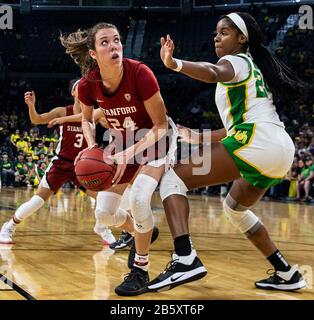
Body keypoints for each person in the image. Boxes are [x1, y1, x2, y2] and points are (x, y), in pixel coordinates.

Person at [147, 12, 307, 293]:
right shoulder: (252, 69)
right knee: (235, 208)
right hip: (277, 146)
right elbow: (238, 128)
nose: (216, 37)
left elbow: (211, 72)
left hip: (259, 142)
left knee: (172, 179)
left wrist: (175, 64)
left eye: (224, 33)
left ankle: (185, 258)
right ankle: (286, 272)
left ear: (241, 38)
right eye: (216, 33)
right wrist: (197, 137)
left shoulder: (235, 61)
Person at [60, 22, 177, 296]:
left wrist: (128, 153)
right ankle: (143, 231)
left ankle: (140, 269)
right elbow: (87, 120)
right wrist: (90, 147)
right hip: (122, 141)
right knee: (104, 213)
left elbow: (160, 126)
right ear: (93, 53)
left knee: (138, 199)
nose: (114, 46)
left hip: (156, 140)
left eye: (117, 40)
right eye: (105, 42)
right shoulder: (88, 83)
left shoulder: (140, 73)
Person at [0, 81, 116, 245]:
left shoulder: (93, 114)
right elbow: (37, 119)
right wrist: (31, 106)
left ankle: (102, 227)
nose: (83, 89)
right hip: (61, 163)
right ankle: (9, 226)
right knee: (38, 201)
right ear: (73, 93)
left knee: (102, 197)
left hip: (82, 166)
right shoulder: (62, 111)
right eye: (79, 87)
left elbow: (108, 120)